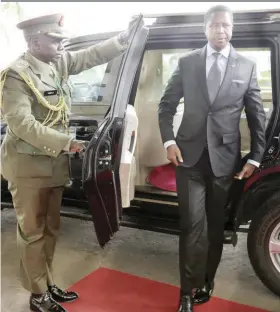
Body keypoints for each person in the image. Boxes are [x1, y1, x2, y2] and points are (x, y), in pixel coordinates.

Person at [0, 13, 136, 312]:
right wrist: (67, 142)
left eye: (63, 39)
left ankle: (47, 282)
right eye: (56, 39)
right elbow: (21, 124)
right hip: (28, 169)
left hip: (53, 167)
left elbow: (89, 56)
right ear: (35, 41)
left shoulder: (56, 62)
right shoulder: (16, 75)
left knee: (51, 229)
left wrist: (122, 41)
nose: (63, 44)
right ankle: (37, 295)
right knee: (32, 233)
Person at [158, 5, 266, 312]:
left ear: (232, 28)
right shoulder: (188, 62)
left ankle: (207, 279)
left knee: (216, 226)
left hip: (225, 163)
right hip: (188, 158)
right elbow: (166, 105)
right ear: (205, 28)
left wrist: (255, 157)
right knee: (192, 226)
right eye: (216, 25)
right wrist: (168, 140)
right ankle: (186, 292)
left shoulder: (246, 65)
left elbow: (256, 115)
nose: (222, 31)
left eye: (227, 26)